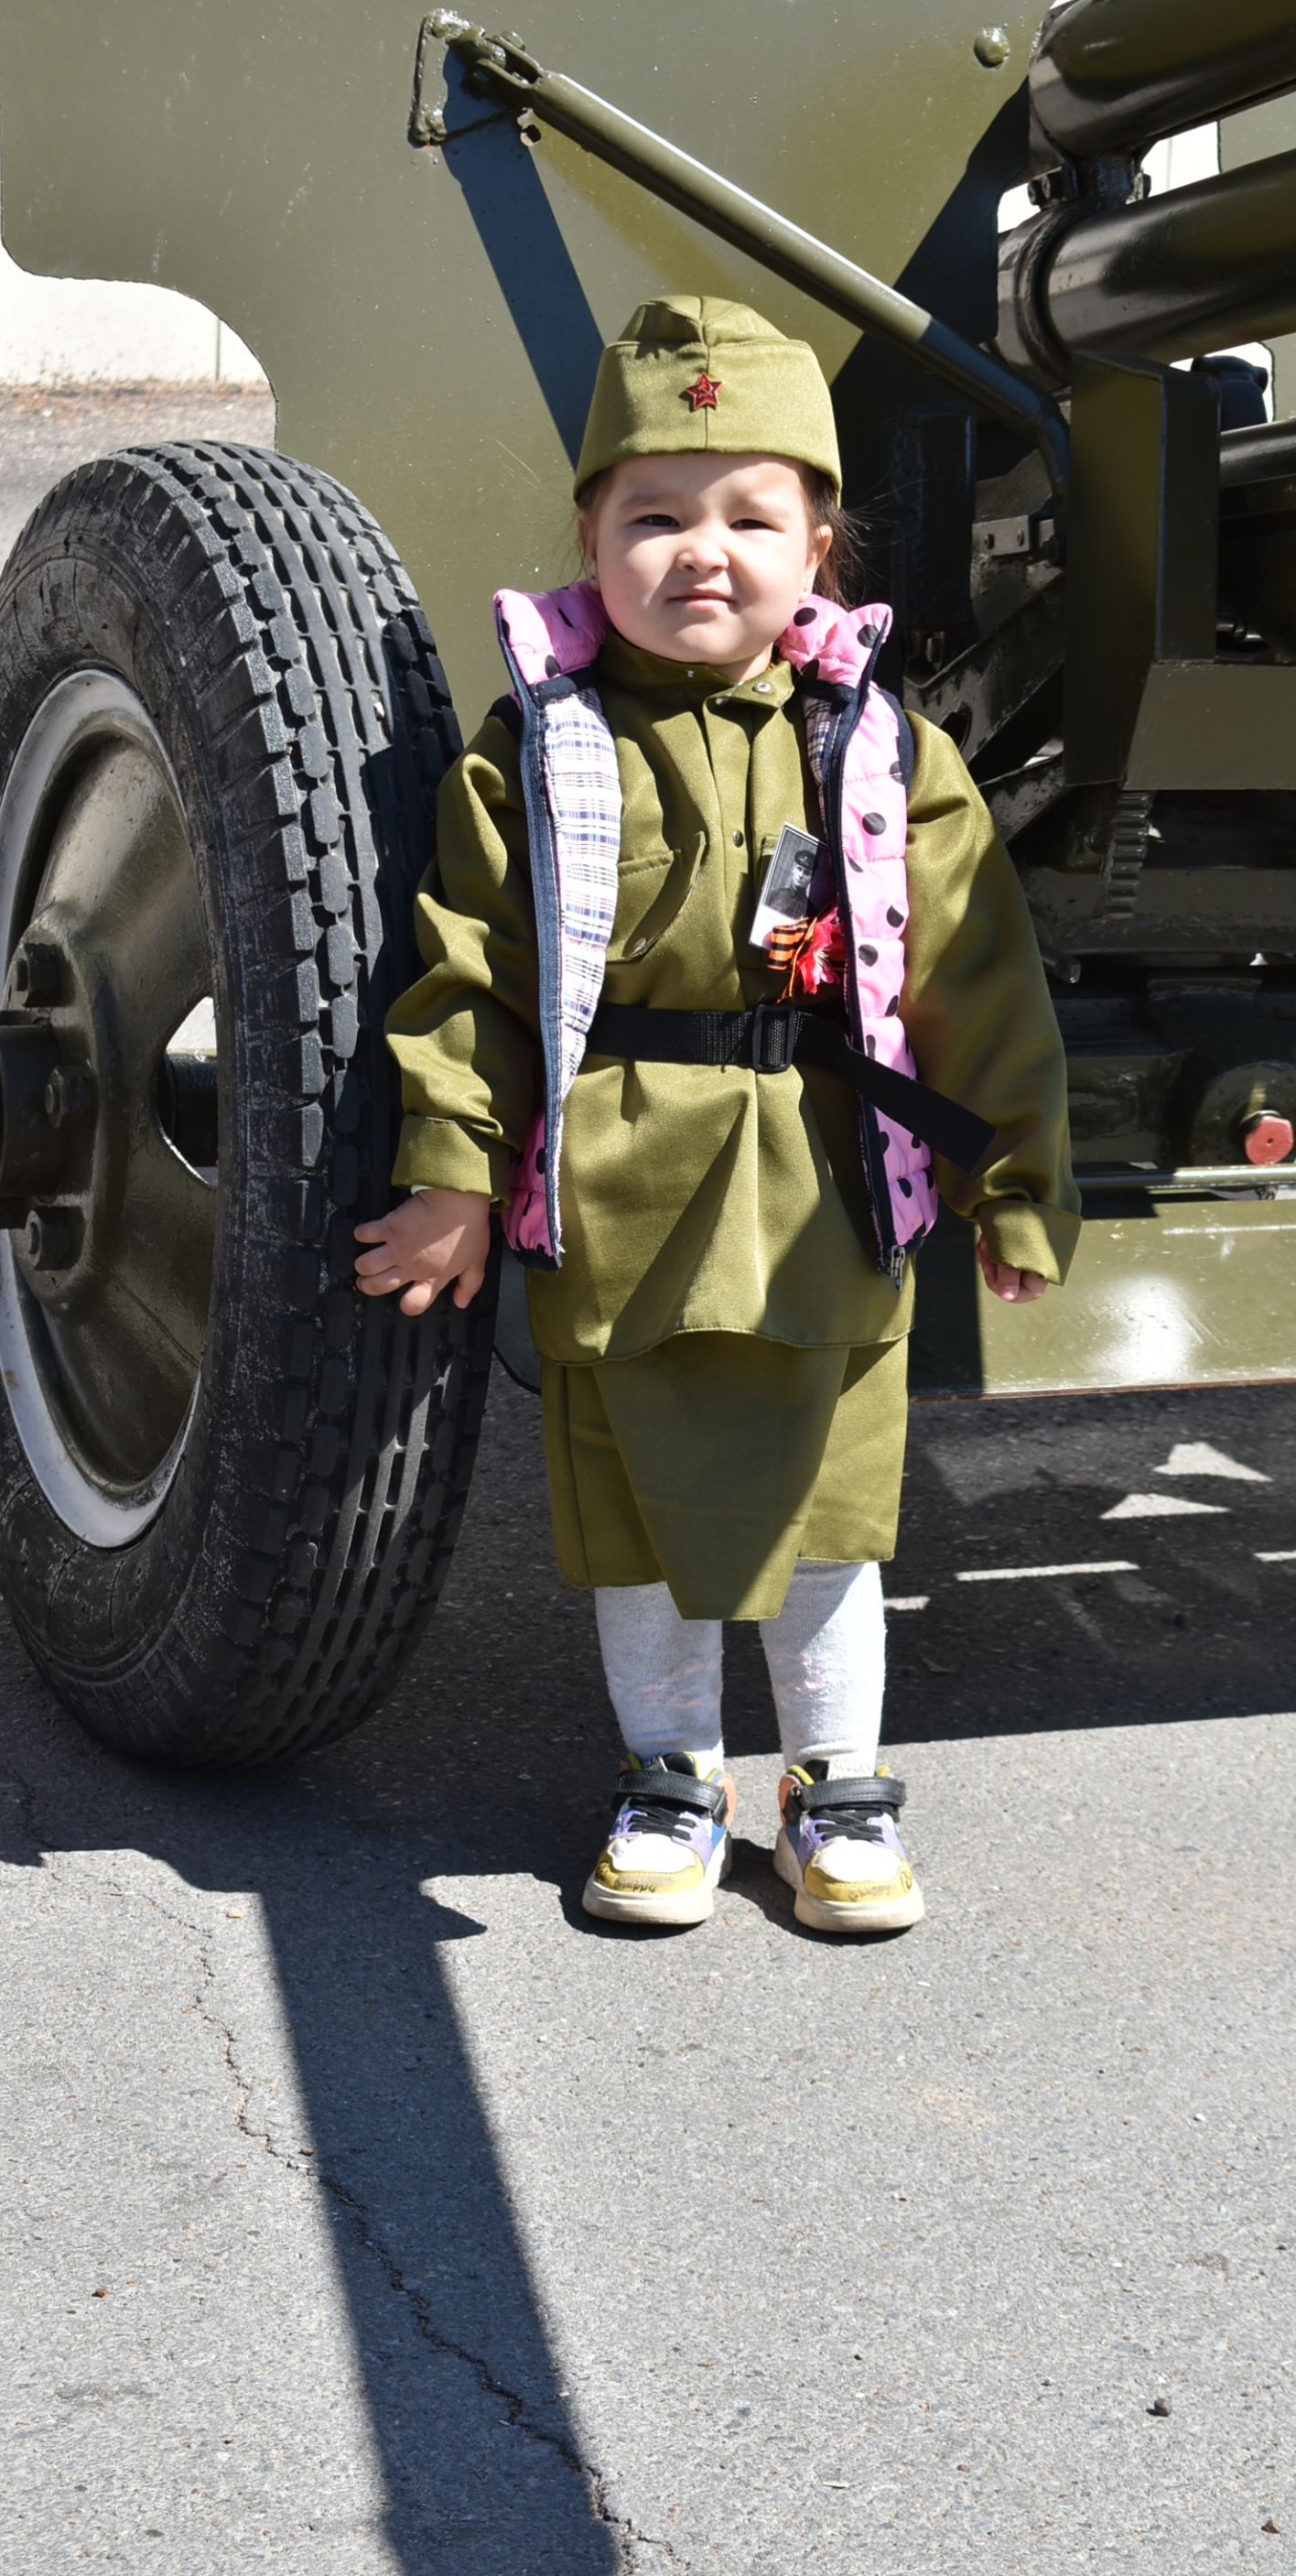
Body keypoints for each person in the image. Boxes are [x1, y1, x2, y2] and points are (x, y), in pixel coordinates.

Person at [356, 298, 1078, 1935]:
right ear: (591, 544)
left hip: (824, 1178)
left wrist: (1017, 1177)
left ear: (819, 540)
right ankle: (673, 1776)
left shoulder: (881, 751)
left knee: (828, 1510)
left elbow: (974, 972)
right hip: (616, 1189)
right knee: (641, 1516)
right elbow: (472, 976)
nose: (703, 553)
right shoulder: (533, 752)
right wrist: (456, 1176)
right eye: (655, 517)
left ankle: (839, 1783)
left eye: (751, 514)